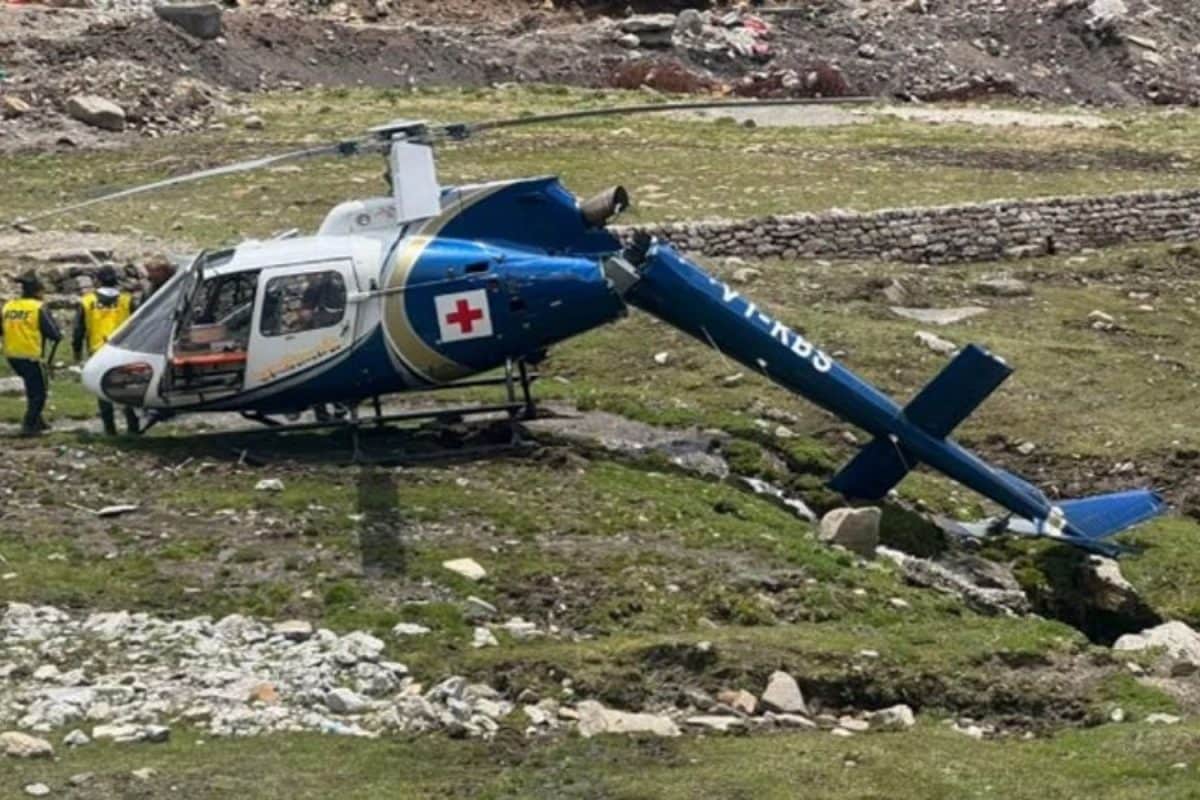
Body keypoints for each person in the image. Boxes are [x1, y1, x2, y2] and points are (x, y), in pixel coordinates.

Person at [74, 265, 139, 435]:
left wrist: (76, 352)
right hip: (125, 348)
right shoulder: (127, 300)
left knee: (102, 389)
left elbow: (78, 330)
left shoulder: (87, 301)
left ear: (97, 280)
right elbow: (139, 325)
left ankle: (109, 429)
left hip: (98, 349)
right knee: (128, 389)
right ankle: (133, 427)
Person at [1, 273, 62, 437]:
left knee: (32, 387)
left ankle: (38, 420)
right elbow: (54, 334)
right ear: (37, 291)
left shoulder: (9, 306)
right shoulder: (38, 307)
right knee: (40, 392)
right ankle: (29, 424)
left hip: (12, 355)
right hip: (32, 356)